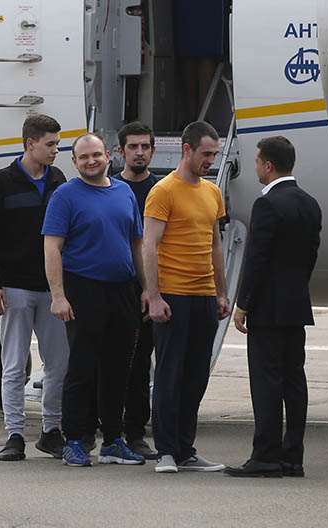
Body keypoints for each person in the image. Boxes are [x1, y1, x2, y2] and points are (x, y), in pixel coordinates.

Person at [43, 133, 147, 468]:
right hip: (83, 289)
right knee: (82, 367)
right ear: (74, 162)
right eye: (84, 157)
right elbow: (52, 248)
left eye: (96, 155)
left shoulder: (124, 192)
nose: (91, 161)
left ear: (108, 157)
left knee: (119, 369)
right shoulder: (65, 196)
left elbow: (136, 245)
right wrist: (58, 296)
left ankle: (113, 440)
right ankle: (74, 439)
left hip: (123, 290)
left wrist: (146, 289)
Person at [224, 136, 321, 478]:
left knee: (266, 381)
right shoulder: (310, 203)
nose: (255, 168)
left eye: (256, 162)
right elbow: (310, 256)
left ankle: (265, 455)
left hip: (268, 309)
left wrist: (243, 304)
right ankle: (293, 455)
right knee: (295, 380)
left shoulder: (267, 205)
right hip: (296, 306)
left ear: (268, 165)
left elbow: (257, 260)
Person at [0, 114, 69, 461]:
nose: (55, 150)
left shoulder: (58, 179)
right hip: (14, 287)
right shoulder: (2, 182)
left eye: (57, 144)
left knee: (59, 364)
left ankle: (51, 430)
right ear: (30, 144)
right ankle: (14, 434)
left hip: (52, 289)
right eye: (51, 144)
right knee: (14, 364)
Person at [143, 121, 230, 474]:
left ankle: (185, 449)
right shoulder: (164, 190)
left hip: (204, 295)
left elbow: (215, 245)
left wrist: (222, 293)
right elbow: (149, 245)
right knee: (170, 373)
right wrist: (154, 296)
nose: (211, 159)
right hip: (173, 296)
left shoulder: (212, 192)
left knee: (196, 375)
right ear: (187, 149)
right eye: (206, 153)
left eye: (214, 153)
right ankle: (165, 449)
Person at [112, 121, 159, 460]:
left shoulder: (162, 189)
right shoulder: (108, 188)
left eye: (145, 146)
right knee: (110, 361)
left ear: (153, 150)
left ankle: (135, 432)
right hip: (116, 288)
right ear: (121, 151)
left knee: (142, 363)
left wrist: (151, 289)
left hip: (151, 290)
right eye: (133, 147)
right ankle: (106, 427)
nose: (139, 152)